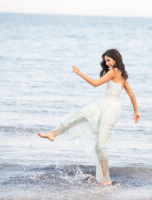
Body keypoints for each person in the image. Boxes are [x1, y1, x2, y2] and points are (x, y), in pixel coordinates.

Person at [38, 49, 140, 186]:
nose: (107, 63)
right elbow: (132, 95)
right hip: (104, 105)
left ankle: (105, 179)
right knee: (80, 116)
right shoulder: (121, 73)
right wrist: (136, 111)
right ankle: (53, 133)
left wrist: (79, 73)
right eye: (106, 60)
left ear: (116, 60)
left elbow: (95, 84)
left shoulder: (114, 71)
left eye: (109, 60)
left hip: (110, 110)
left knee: (100, 145)